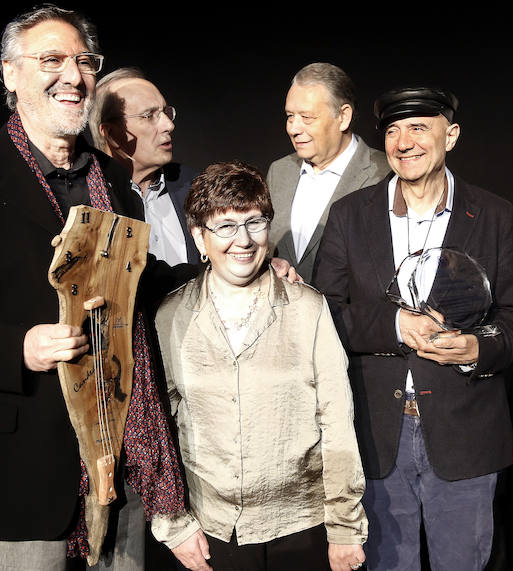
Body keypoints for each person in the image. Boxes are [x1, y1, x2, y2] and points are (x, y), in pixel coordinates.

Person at [0, 5, 295, 569]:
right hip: (16, 477)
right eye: (51, 60)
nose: (73, 75)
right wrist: (14, 350)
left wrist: (233, 263)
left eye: (84, 61)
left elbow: (143, 287)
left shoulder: (117, 191)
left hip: (120, 461)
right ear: (10, 74)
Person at [314, 87, 513, 570]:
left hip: (466, 431)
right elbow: (323, 311)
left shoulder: (493, 215)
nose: (403, 141)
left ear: (450, 135)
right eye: (392, 130)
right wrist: (393, 323)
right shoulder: (351, 215)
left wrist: (476, 346)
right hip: (375, 433)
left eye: (418, 127)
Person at [152, 161, 367, 571]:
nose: (244, 240)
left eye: (255, 222)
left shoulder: (309, 309)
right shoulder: (171, 316)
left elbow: (337, 423)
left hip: (302, 527)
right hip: (211, 532)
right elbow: (157, 427)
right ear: (199, 237)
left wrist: (344, 527)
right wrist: (173, 524)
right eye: (226, 227)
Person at [267, 62, 391, 284]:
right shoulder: (279, 172)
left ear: (343, 116)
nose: (293, 128)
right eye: (289, 116)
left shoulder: (385, 175)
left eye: (307, 117)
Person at [90, 67, 201, 266]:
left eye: (166, 112)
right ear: (110, 134)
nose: (169, 125)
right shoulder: (89, 199)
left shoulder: (196, 186)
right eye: (149, 116)